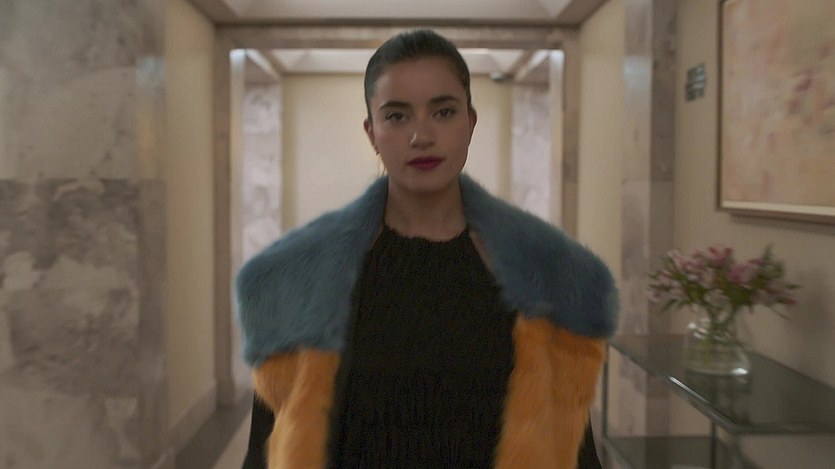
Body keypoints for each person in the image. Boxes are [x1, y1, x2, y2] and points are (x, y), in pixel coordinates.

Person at [236, 29, 618, 469]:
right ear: (372, 132)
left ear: (470, 123)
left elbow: (572, 447)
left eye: (443, 111)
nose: (421, 135)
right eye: (397, 116)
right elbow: (267, 447)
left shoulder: (543, 278)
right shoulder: (303, 281)